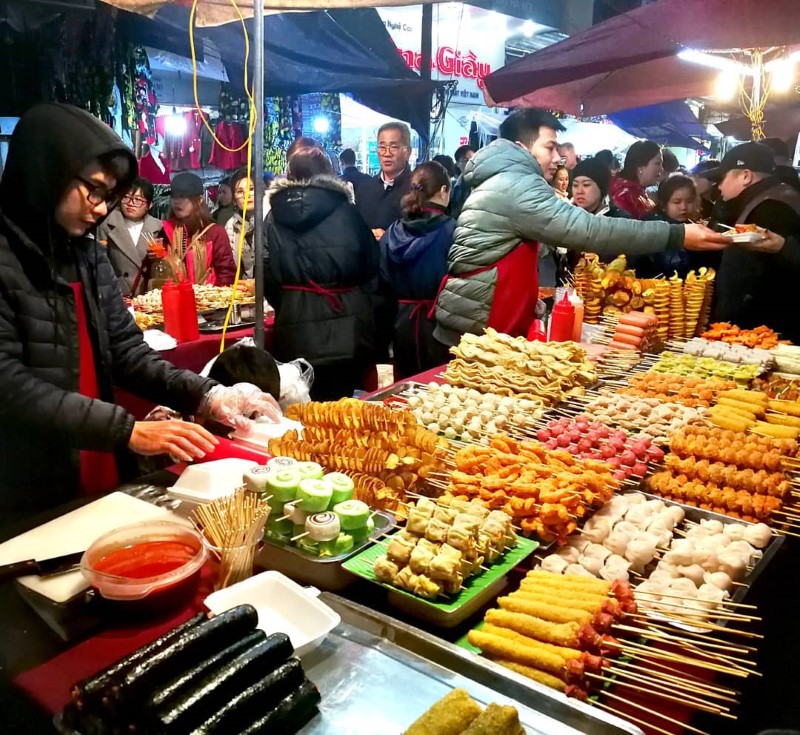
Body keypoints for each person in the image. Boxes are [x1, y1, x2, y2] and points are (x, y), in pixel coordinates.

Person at [0, 103, 281, 523]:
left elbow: (128, 353)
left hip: (96, 455)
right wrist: (126, 430)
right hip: (26, 478)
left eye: (108, 197)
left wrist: (206, 394)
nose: (100, 208)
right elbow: (10, 384)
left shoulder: (88, 257)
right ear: (46, 172)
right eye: (93, 191)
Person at [432, 108, 730, 347]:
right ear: (522, 147)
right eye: (549, 147)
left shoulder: (502, 178)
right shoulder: (515, 183)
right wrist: (676, 234)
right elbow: (589, 230)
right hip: (479, 326)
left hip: (476, 316)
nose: (557, 157)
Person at [265, 143, 378, 401]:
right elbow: (371, 264)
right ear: (328, 175)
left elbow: (266, 272)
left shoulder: (273, 216)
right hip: (347, 327)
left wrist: (290, 302)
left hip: (294, 328)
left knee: (303, 411)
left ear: (290, 175)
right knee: (343, 413)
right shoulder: (347, 212)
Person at [705, 142, 800, 338]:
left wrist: (729, 324)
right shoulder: (775, 196)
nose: (719, 186)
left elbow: (751, 278)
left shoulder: (771, 208)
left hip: (765, 330)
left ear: (746, 176)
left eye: (722, 178)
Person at [379, 162, 454, 379]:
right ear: (442, 191)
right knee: (438, 392)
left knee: (404, 392)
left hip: (401, 326)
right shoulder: (452, 230)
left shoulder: (391, 233)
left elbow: (381, 285)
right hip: (440, 326)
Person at [162, 172, 236, 286]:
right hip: (174, 299)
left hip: (206, 300)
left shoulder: (214, 232)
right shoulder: (166, 230)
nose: (176, 201)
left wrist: (214, 299)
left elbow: (226, 272)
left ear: (199, 200)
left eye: (182, 196)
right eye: (174, 196)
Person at [96, 177, 162, 296]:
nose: (131, 204)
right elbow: (100, 263)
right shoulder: (106, 223)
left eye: (138, 200)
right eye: (126, 198)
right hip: (117, 293)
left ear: (149, 205)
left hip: (148, 295)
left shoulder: (158, 227)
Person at [354, 121, 412, 238]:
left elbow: (422, 239)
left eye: (394, 147)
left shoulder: (417, 190)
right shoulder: (364, 187)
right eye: (382, 147)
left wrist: (390, 239)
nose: (387, 153)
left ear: (408, 152)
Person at [635, 175, 699, 278]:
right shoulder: (653, 225)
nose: (684, 207)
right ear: (664, 205)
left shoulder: (692, 225)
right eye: (677, 202)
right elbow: (674, 266)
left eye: (689, 201)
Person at [609, 140, 663, 218]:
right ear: (640, 166)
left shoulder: (638, 192)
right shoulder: (623, 196)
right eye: (657, 163)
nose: (661, 169)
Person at [224, 169, 257, 278]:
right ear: (234, 199)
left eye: (251, 189)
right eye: (240, 192)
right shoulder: (231, 225)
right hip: (245, 289)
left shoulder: (269, 219)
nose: (246, 195)